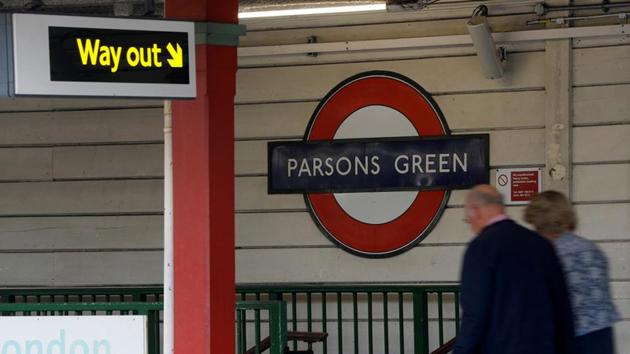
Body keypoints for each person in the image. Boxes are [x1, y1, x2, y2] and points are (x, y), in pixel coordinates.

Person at [453, 185, 575, 354]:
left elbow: (475, 316)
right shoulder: (541, 244)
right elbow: (562, 309)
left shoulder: (480, 248)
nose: (471, 225)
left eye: (468, 219)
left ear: (476, 210)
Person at [524, 190, 620, 354]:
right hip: (603, 334)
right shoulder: (592, 249)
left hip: (572, 339)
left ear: (541, 222)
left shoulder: (549, 254)